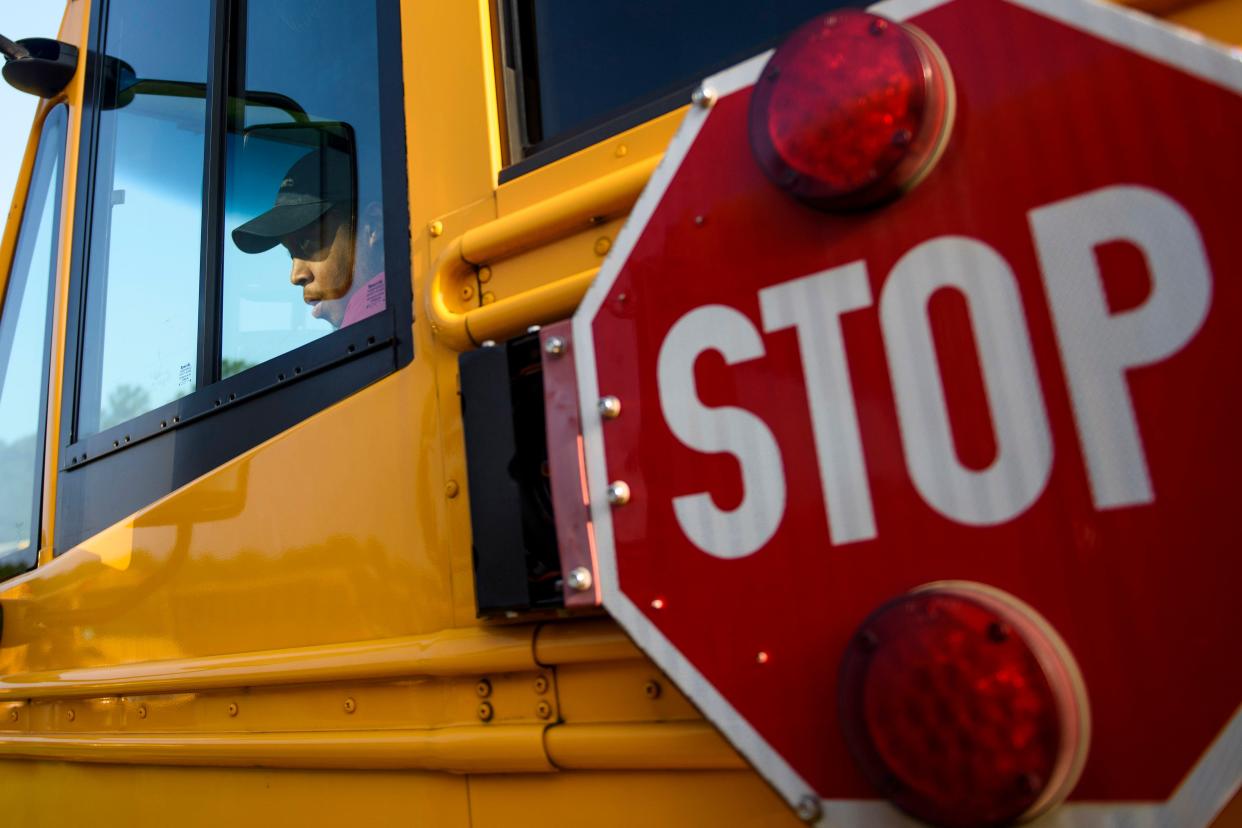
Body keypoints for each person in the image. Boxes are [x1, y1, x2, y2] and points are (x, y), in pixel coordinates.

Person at [231, 147, 385, 329]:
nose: (295, 276)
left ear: (373, 227)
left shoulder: (375, 324)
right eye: (291, 255)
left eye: (309, 244)